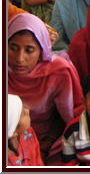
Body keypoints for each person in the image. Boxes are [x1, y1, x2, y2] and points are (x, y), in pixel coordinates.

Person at [8, 13, 83, 163]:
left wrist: (45, 146)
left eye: (29, 50)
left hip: (49, 140)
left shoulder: (57, 72)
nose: (19, 59)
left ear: (42, 50)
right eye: (13, 48)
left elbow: (68, 116)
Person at [8, 94, 44, 166]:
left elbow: (37, 157)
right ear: (13, 132)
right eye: (23, 114)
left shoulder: (28, 133)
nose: (28, 110)